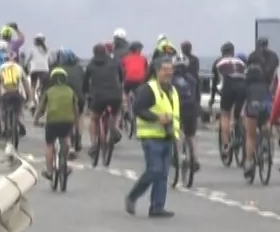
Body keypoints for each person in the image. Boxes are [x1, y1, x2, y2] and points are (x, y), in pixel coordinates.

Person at [124, 57, 182, 218]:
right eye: (165, 69)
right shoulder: (148, 89)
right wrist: (157, 118)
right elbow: (138, 109)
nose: (168, 72)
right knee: (154, 170)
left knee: (163, 173)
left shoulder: (173, 90)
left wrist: (177, 135)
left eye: (170, 69)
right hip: (151, 136)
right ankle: (132, 196)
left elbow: (175, 115)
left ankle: (157, 206)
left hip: (168, 136)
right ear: (157, 71)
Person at [83, 44, 126, 147]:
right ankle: (114, 127)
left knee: (94, 118)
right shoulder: (115, 62)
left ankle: (94, 144)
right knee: (116, 113)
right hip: (115, 94)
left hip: (98, 96)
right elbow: (121, 76)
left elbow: (85, 83)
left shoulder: (90, 65)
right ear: (106, 52)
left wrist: (86, 92)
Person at [40, 66, 81, 175]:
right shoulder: (71, 91)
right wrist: (76, 124)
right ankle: (64, 163)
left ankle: (49, 171)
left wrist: (36, 119)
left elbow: (41, 109)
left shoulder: (48, 91)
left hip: (52, 121)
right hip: (67, 121)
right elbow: (76, 110)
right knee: (66, 139)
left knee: (49, 145)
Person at [171, 55, 201, 185]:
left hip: (177, 108)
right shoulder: (192, 79)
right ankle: (195, 158)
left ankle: (178, 156)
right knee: (191, 135)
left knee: (178, 133)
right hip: (191, 108)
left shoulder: (170, 80)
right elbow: (197, 96)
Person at [240, 51, 272, 176]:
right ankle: (265, 144)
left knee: (250, 136)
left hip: (252, 106)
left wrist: (238, 112)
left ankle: (249, 162)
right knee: (265, 124)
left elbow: (242, 97)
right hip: (265, 105)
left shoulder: (246, 78)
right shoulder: (266, 75)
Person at [214, 44, 248, 152]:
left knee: (225, 116)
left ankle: (226, 145)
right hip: (242, 88)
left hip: (228, 88)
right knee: (240, 112)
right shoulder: (241, 62)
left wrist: (215, 94)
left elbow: (216, 81)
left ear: (222, 52)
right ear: (233, 52)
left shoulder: (218, 62)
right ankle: (242, 133)